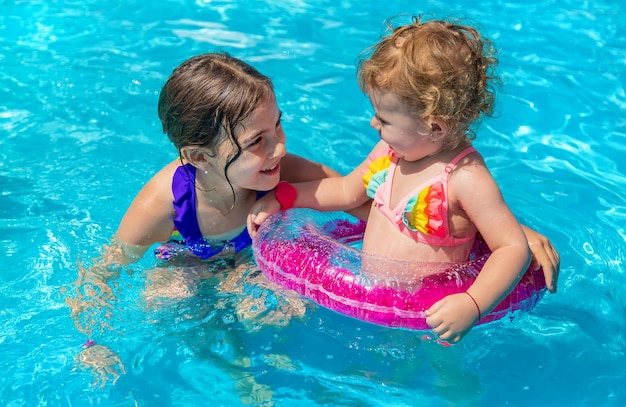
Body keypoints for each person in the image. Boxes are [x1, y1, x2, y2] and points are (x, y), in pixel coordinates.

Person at [68, 51, 559, 390]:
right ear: (198, 156)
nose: (278, 147)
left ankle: (261, 372)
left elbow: (381, 205)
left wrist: (507, 235)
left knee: (279, 310)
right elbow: (103, 270)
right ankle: (230, 374)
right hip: (189, 263)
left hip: (257, 265)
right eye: (257, 141)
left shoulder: (284, 171)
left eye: (277, 124)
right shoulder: (165, 202)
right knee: (165, 302)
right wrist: (93, 341)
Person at [247, 16, 557, 345]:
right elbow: (344, 191)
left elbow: (511, 248)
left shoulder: (466, 179)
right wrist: (283, 197)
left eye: (384, 119)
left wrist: (472, 304)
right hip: (368, 298)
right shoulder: (390, 151)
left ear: (433, 127)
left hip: (429, 321)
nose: (372, 124)